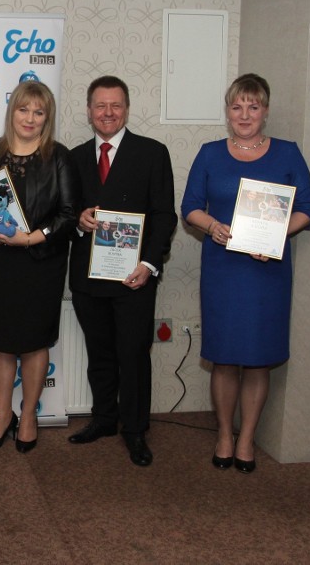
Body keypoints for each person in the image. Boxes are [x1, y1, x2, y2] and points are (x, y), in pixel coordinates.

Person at [181, 73, 310, 474]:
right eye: (237, 106)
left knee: (258, 358)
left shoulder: (289, 154)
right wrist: (212, 226)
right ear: (227, 112)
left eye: (253, 106)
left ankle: (246, 439)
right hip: (223, 268)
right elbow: (189, 206)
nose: (244, 114)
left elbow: (308, 209)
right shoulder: (209, 153)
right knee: (224, 358)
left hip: (267, 272)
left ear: (266, 111)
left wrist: (277, 234)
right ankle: (224, 433)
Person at [0, 81, 79, 453]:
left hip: (38, 264)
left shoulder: (58, 157)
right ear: (12, 112)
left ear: (47, 118)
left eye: (38, 112)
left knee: (32, 344)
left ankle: (28, 416)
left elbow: (69, 215)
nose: (30, 118)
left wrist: (31, 237)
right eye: (23, 110)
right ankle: (1, 416)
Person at [68, 76, 177, 467]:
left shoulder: (152, 153)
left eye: (115, 105)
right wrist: (78, 219)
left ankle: (135, 430)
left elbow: (165, 215)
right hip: (88, 276)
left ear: (126, 109)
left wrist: (149, 264)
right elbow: (64, 213)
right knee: (99, 353)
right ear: (89, 110)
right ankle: (104, 419)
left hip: (135, 277)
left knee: (132, 354)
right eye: (100, 105)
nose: (108, 113)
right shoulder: (75, 157)